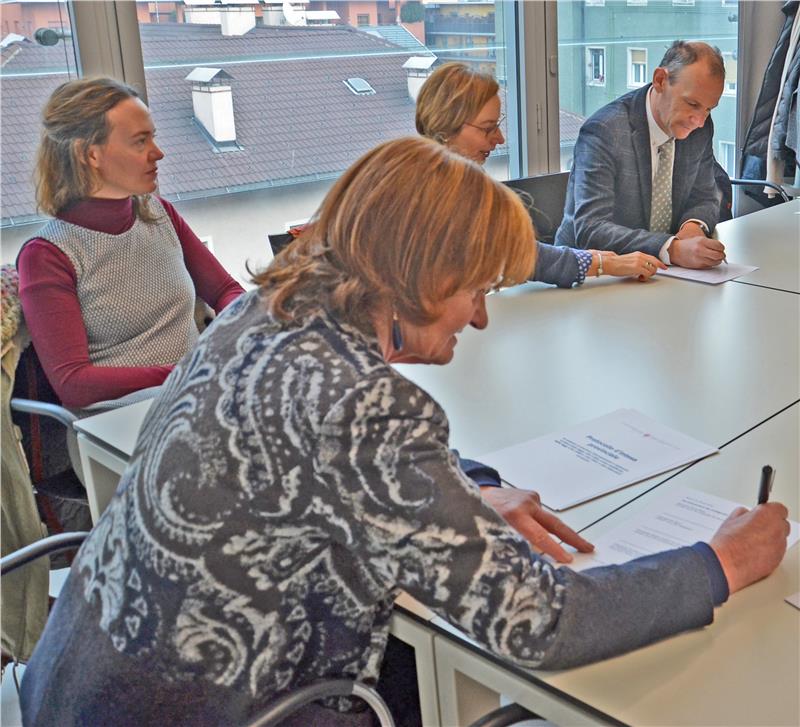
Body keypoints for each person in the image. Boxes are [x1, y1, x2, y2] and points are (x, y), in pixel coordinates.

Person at [20, 138, 789, 727]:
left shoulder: (259, 313)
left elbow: (329, 456)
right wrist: (718, 561)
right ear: (422, 274)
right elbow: (538, 621)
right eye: (476, 289)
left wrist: (467, 488)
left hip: (77, 685)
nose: (480, 317)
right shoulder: (367, 404)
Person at [17, 77, 244, 411]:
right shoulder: (47, 255)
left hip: (197, 395)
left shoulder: (159, 213)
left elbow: (226, 290)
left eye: (153, 137)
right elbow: (74, 385)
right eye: (140, 142)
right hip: (120, 419)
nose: (158, 153)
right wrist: (191, 370)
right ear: (90, 154)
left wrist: (242, 330)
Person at [416, 62, 666, 287]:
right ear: (447, 125)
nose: (500, 138)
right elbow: (518, 255)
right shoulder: (433, 192)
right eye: (488, 128)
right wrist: (602, 263)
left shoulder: (450, 179)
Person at [555, 41, 727, 269]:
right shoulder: (605, 130)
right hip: (594, 274)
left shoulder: (699, 128)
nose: (700, 121)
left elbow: (705, 197)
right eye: (692, 103)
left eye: (708, 109)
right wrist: (671, 249)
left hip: (663, 274)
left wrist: (692, 227)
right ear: (660, 80)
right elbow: (591, 229)